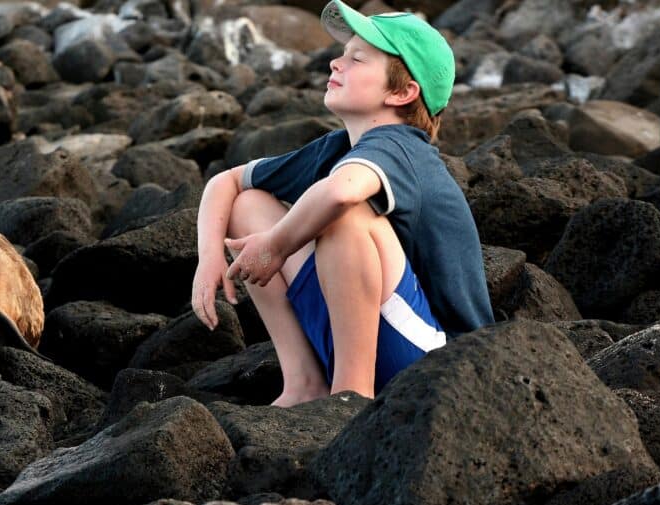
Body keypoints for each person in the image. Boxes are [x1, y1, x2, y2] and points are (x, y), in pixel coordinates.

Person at [191, 0, 494, 407]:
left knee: (345, 216)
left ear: (403, 93)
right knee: (249, 204)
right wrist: (209, 257)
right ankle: (304, 385)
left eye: (357, 59)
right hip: (383, 339)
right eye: (341, 54)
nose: (336, 64)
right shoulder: (339, 149)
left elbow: (340, 193)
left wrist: (275, 246)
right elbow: (225, 182)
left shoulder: (400, 147)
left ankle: (349, 397)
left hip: (441, 367)